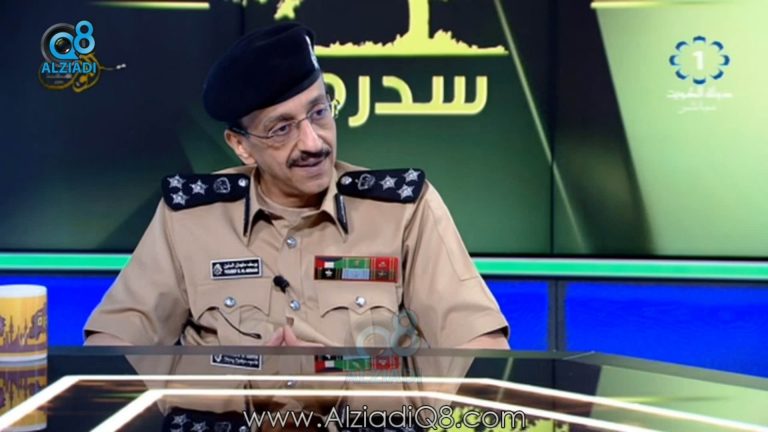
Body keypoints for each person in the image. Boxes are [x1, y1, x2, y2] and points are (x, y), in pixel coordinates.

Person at [84, 22, 509, 351]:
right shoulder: (190, 217)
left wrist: (338, 379)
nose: (313, 143)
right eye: (281, 128)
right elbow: (112, 344)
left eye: (319, 112)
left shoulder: (403, 209)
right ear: (241, 146)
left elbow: (480, 346)